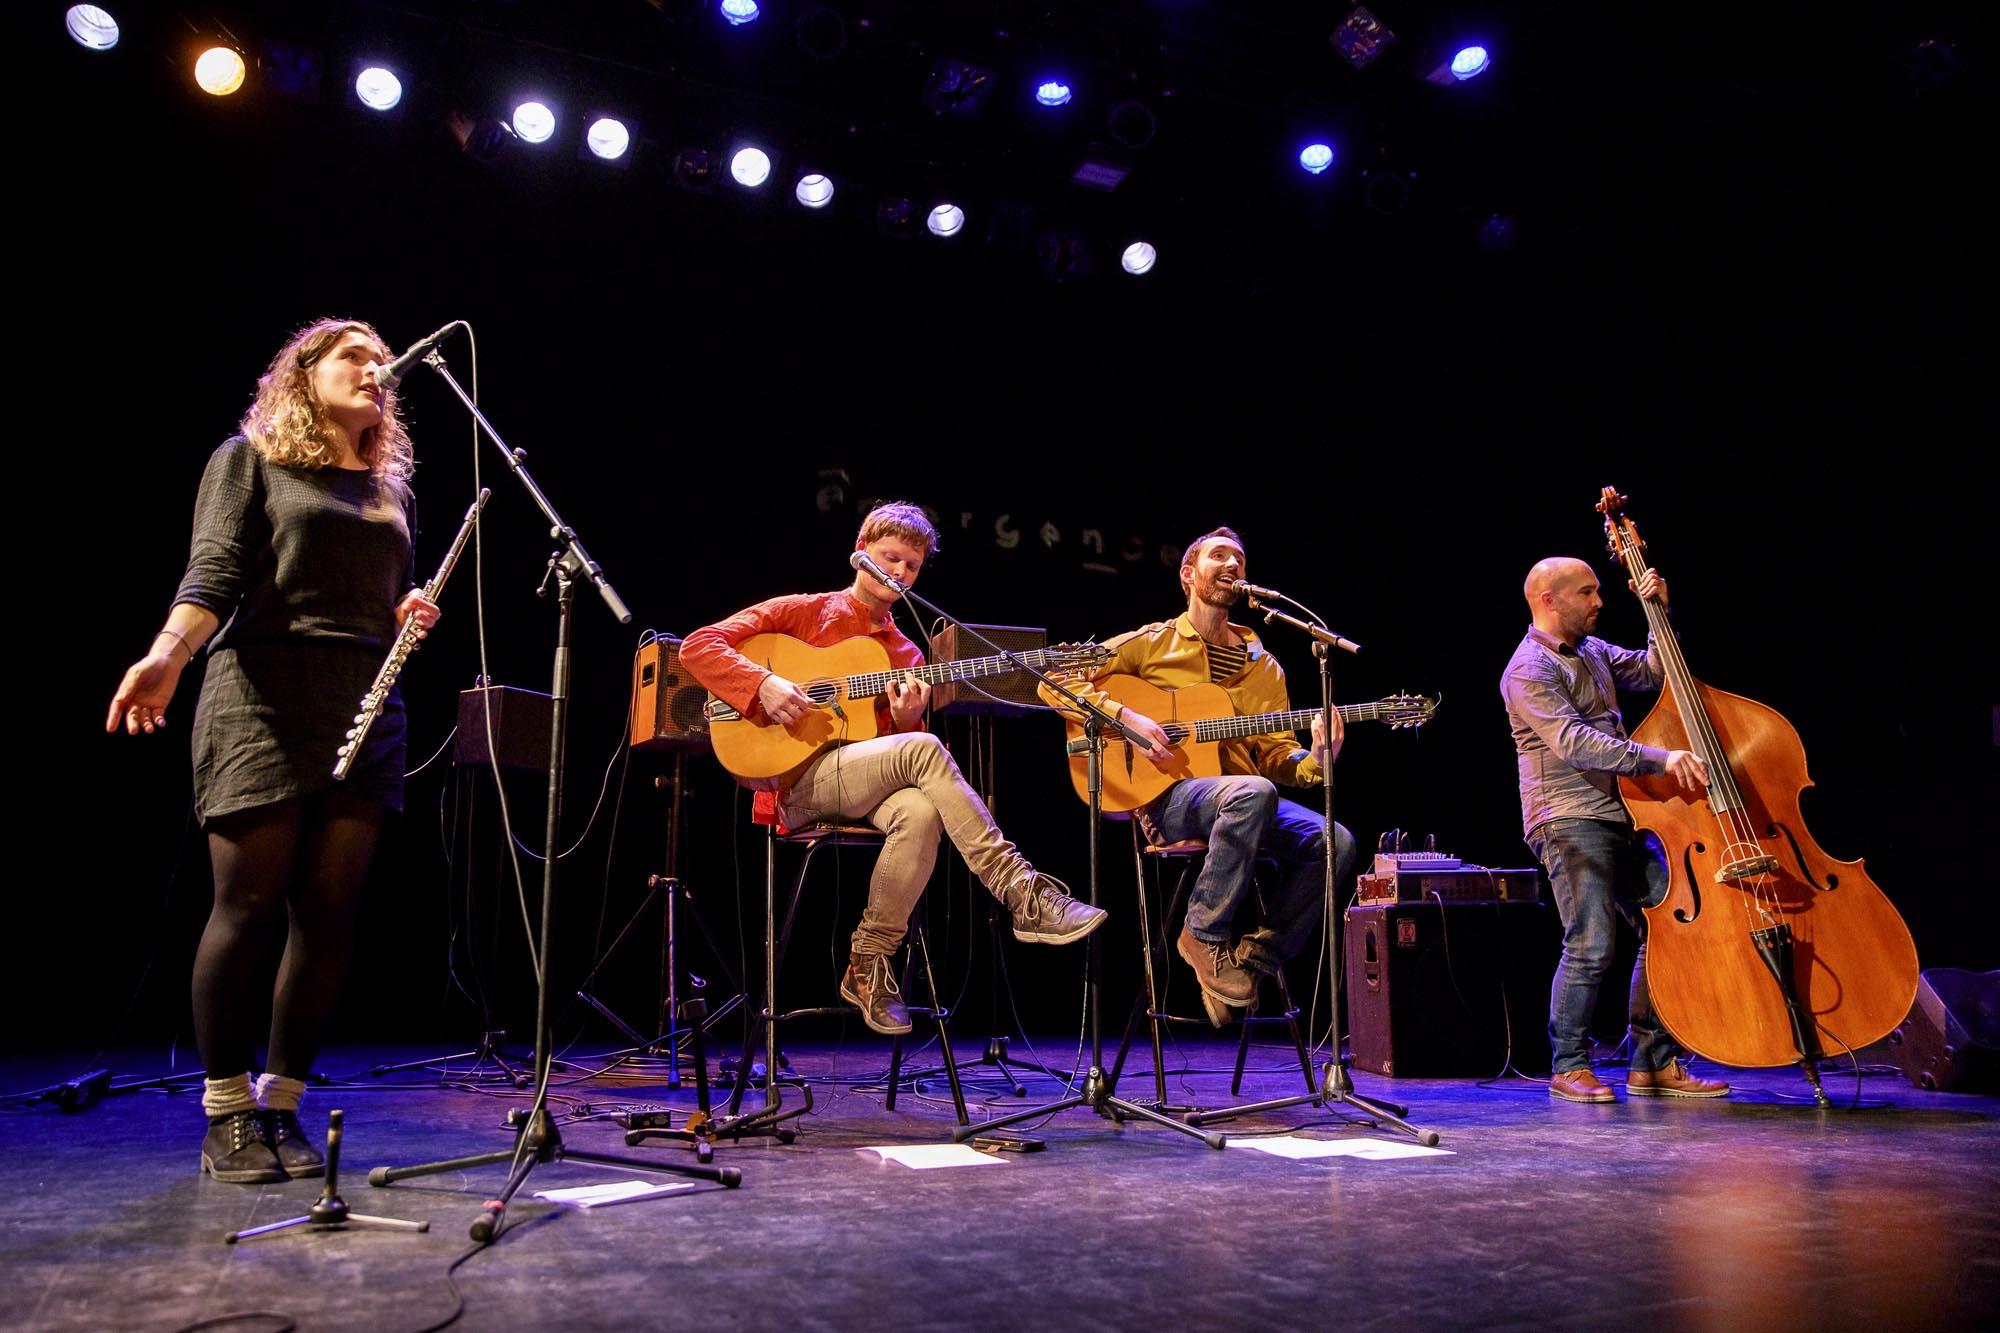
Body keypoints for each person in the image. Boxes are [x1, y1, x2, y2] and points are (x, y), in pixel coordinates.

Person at [107, 319, 441, 1182]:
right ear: (303, 373)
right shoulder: (248, 459)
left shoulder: (389, 488)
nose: (374, 368)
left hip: (364, 704)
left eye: (380, 359)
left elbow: (371, 589)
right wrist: (168, 655)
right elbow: (215, 571)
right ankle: (227, 1111)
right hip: (260, 694)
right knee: (249, 904)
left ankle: (281, 1102)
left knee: (328, 913)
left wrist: (403, 609)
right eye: (353, 355)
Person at [679, 502, 1103, 1036]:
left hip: (858, 785)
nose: (900, 572)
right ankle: (1023, 892)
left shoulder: (907, 654)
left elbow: (890, 753)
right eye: (890, 558)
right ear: (861, 552)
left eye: (912, 565)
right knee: (924, 749)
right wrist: (763, 683)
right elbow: (699, 645)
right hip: (795, 782)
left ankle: (868, 963)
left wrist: (905, 720)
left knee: (921, 810)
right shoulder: (803, 611)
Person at [1044, 527, 1355, 1024]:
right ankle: (1203, 934)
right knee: (1253, 792)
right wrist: (1127, 718)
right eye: (1219, 555)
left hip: (1248, 802)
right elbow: (1056, 678)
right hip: (1170, 799)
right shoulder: (1152, 642)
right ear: (1189, 575)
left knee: (1334, 842)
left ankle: (1254, 960)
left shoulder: (1265, 668)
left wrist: (1320, 756)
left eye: (1239, 559)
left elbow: (1277, 756)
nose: (1232, 564)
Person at [1501, 556, 1729, 1103]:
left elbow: (1654, 672)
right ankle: (1569, 1065)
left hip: (1621, 814)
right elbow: (1575, 742)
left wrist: (1657, 613)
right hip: (1567, 817)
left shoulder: (1594, 650)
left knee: (1670, 929)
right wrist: (1662, 759)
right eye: (1587, 592)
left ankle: (1652, 1063)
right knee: (1591, 943)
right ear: (1549, 600)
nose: (1599, 601)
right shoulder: (1528, 668)